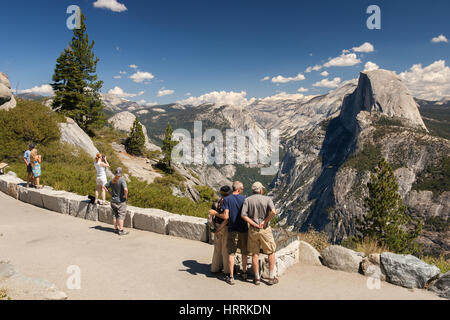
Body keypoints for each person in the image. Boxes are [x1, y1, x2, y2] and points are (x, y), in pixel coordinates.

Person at [241, 182, 278, 286]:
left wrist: (253, 223)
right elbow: (273, 212)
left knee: (255, 253)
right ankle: (271, 277)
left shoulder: (247, 200)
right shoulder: (267, 199)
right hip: (265, 229)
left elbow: (243, 215)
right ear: (261, 190)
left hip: (253, 230)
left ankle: (256, 278)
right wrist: (265, 221)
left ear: (253, 190)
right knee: (271, 252)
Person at [222, 181, 248, 285]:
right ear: (239, 189)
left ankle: (231, 276)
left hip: (232, 229)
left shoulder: (227, 199)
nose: (242, 190)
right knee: (244, 252)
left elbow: (226, 217)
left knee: (231, 253)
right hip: (244, 229)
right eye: (242, 189)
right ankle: (245, 273)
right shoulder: (245, 199)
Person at [209, 185, 232, 275]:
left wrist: (214, 227)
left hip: (217, 225)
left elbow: (210, 217)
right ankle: (226, 270)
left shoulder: (216, 202)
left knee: (217, 249)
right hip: (225, 227)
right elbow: (227, 218)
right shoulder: (228, 202)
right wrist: (219, 228)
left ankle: (214, 268)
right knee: (225, 249)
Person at [105, 167, 129, 235]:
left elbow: (104, 187)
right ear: (121, 173)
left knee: (114, 215)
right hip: (120, 201)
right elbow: (126, 189)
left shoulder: (112, 180)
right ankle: (121, 230)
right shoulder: (122, 180)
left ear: (115, 173)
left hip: (113, 201)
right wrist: (125, 196)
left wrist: (110, 194)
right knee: (121, 215)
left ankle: (115, 229)